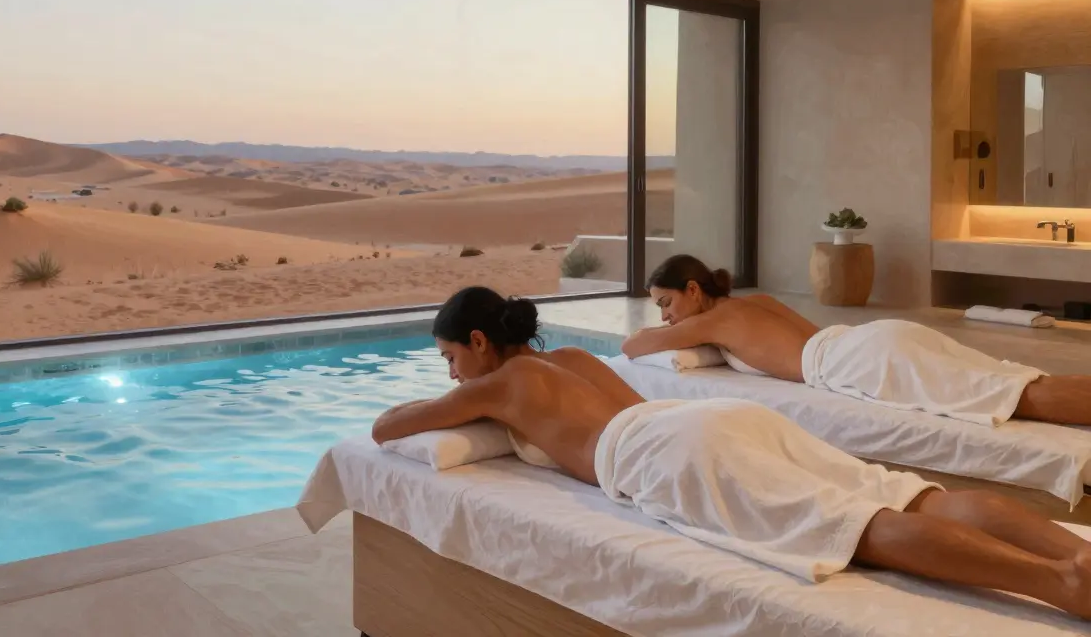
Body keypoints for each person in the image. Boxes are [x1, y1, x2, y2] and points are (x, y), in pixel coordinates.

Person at [372, 286, 1091, 618]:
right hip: (713, 419)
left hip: (667, 451)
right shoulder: (570, 359)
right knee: (906, 493)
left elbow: (388, 427)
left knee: (855, 526)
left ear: (478, 341)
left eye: (449, 357)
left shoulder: (499, 384)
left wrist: (460, 398)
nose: (452, 375)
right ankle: (1068, 552)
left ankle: (1061, 584)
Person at [620, 254, 1091, 427]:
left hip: (854, 362)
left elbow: (632, 346)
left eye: (666, 302)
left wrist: (666, 330)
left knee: (1010, 395)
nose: (665, 315)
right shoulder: (754, 301)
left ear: (694, 289)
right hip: (868, 339)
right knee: (1008, 379)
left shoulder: (712, 321)